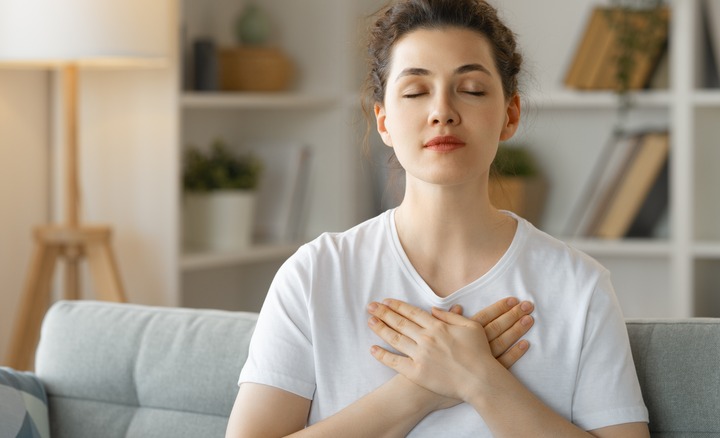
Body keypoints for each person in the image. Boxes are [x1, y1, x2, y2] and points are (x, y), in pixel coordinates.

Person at [226, 0, 650, 436]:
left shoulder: (580, 287)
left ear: (510, 114)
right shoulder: (315, 274)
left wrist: (478, 378)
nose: (442, 111)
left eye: (471, 89)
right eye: (415, 92)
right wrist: (419, 388)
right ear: (384, 121)